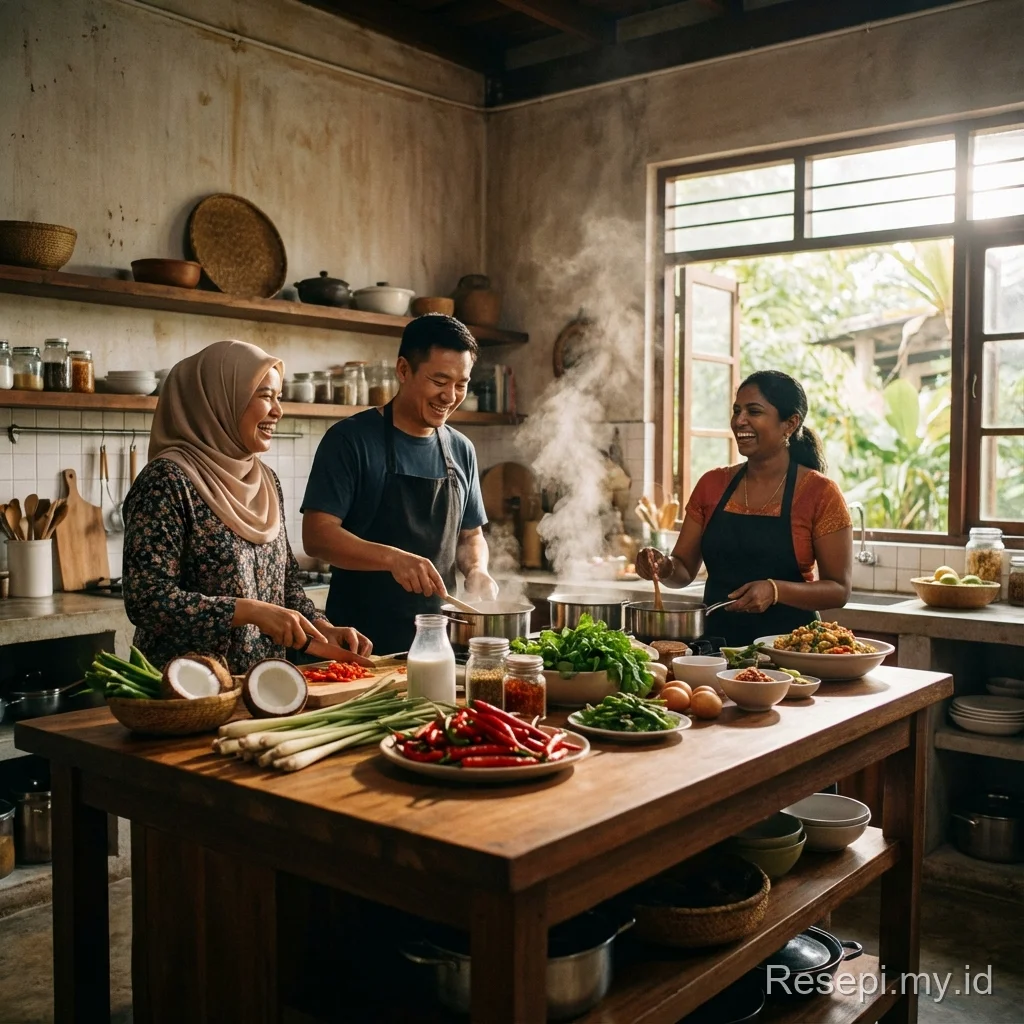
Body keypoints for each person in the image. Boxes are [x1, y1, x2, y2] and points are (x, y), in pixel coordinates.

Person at [123, 340, 371, 674]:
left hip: (263, 683)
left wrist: (320, 626)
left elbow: (285, 585)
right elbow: (147, 600)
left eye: (279, 397)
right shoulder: (166, 481)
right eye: (266, 396)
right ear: (220, 399)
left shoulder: (267, 481)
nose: (278, 411)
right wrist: (249, 611)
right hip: (188, 686)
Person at [302, 314, 497, 654]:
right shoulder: (350, 440)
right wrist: (393, 559)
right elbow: (317, 536)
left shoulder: (461, 449)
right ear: (404, 370)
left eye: (461, 384)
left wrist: (477, 569)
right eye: (440, 380)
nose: (450, 396)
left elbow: (471, 536)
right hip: (361, 646)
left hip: (439, 645)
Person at [637, 370, 852, 647]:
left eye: (754, 411)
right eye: (737, 410)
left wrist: (775, 590)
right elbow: (683, 570)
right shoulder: (712, 484)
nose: (739, 421)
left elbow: (839, 590)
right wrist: (663, 566)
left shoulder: (820, 493)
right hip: (715, 650)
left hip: (790, 650)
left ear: (790, 423)